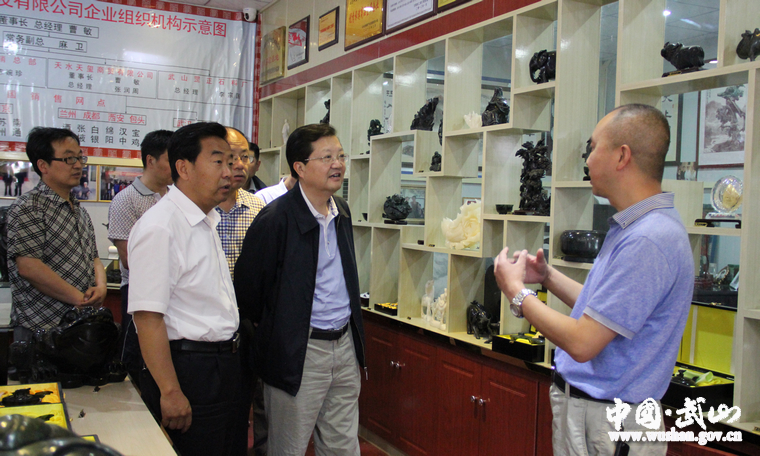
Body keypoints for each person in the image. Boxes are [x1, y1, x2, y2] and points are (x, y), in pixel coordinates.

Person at [493, 104, 694, 456]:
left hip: (609, 425)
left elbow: (583, 342)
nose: (587, 161)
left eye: (593, 147)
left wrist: (517, 293)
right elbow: (603, 311)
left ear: (621, 156)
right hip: (595, 417)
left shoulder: (649, 238)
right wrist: (547, 278)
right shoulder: (635, 227)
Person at [234, 123, 365, 455]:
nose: (337, 164)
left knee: (342, 445)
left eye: (340, 156)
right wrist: (281, 331)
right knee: (288, 446)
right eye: (326, 157)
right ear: (300, 168)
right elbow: (249, 292)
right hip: (299, 349)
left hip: (344, 345)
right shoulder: (275, 218)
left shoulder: (342, 210)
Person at [128, 122, 241, 456]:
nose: (229, 171)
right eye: (217, 161)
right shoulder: (161, 226)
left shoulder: (205, 220)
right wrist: (170, 391)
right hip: (188, 369)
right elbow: (147, 317)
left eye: (230, 161)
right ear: (184, 168)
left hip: (221, 365)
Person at [6, 127, 106, 341]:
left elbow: (94, 257)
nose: (78, 165)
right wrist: (80, 299)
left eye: (79, 157)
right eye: (69, 159)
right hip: (41, 330)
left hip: (78, 323)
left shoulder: (78, 209)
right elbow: (29, 267)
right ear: (43, 165)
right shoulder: (29, 207)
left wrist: (101, 287)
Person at [107, 129, 173, 385]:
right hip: (139, 292)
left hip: (173, 293)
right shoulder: (126, 200)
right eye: (170, 159)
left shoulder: (177, 196)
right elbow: (128, 259)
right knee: (136, 357)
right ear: (150, 160)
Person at [217, 127, 265, 456]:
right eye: (230, 157)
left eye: (244, 157)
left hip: (248, 321)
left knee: (250, 402)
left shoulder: (258, 207)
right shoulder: (198, 208)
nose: (238, 165)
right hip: (207, 326)